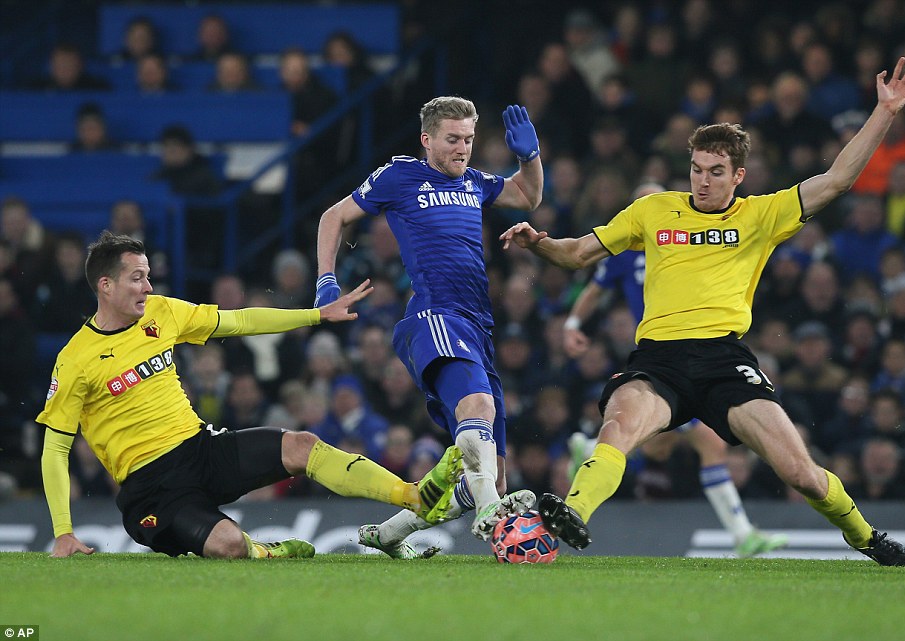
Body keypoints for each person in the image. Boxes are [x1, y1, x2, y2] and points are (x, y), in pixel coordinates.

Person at [499, 58, 905, 566]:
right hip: (659, 360)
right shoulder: (653, 210)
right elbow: (576, 255)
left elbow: (836, 180)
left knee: (801, 474)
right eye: (697, 170)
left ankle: (865, 538)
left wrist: (884, 112)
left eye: (716, 172)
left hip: (724, 360)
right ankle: (574, 512)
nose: (703, 181)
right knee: (618, 424)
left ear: (738, 175)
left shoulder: (763, 214)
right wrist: (538, 242)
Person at [37, 231, 463, 559]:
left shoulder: (162, 312)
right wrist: (63, 531)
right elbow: (55, 449)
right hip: (151, 491)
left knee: (301, 445)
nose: (148, 287)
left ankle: (413, 496)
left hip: (200, 449)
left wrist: (316, 314)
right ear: (106, 286)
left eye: (148, 276)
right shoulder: (75, 359)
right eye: (137, 278)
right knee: (229, 546)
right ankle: (268, 551)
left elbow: (239, 320)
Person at [314, 96, 544, 556]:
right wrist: (326, 282)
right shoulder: (399, 175)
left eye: (470, 140)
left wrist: (530, 158)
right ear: (427, 140)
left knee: (491, 474)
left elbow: (528, 197)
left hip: (478, 324)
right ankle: (489, 515)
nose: (463, 149)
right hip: (434, 314)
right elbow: (333, 216)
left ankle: (391, 533)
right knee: (477, 408)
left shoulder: (475, 182)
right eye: (453, 140)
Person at [563, 181, 788, 557]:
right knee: (704, 441)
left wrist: (573, 325)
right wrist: (572, 324)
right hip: (660, 361)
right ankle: (742, 534)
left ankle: (588, 447)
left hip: (683, 358)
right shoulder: (626, 249)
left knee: (662, 440)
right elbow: (594, 289)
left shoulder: (683, 242)